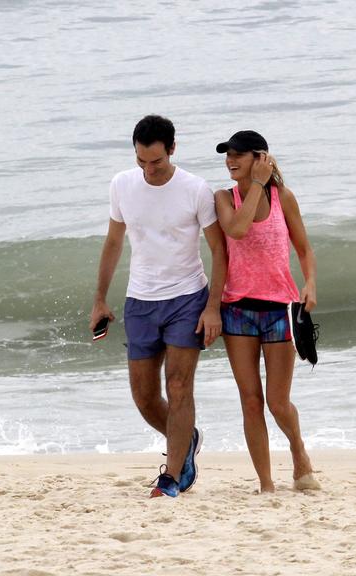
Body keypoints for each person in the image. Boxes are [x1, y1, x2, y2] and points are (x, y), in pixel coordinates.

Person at [90, 115, 226, 498]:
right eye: (141, 162)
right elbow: (114, 242)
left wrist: (212, 307)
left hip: (187, 297)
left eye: (157, 162)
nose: (149, 170)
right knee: (144, 396)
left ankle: (172, 475)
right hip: (140, 300)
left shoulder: (195, 189)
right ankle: (187, 437)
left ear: (172, 149)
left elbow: (219, 250)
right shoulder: (122, 185)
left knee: (179, 386)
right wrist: (100, 298)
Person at [214, 130, 321, 493]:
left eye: (239, 155)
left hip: (279, 308)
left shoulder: (284, 198)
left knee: (277, 402)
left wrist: (310, 284)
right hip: (237, 310)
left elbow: (304, 249)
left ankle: (298, 450)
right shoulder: (223, 198)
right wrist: (256, 185)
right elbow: (238, 230)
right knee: (250, 400)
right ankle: (266, 484)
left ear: (261, 158)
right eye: (228, 154)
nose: (230, 160)